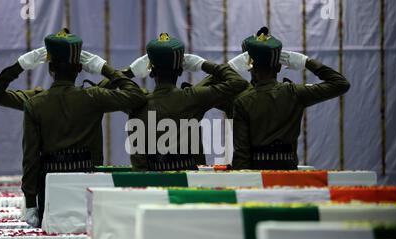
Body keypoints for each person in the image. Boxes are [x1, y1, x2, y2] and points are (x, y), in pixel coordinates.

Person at [8, 29, 145, 227]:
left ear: (50, 68)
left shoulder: (35, 104)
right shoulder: (93, 97)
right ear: (81, 68)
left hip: (50, 187)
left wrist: (30, 202)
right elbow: (136, 96)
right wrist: (104, 68)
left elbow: (30, 158)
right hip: (90, 182)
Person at [230, 27, 351, 170]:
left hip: (256, 175)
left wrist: (230, 67)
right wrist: (305, 61)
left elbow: (241, 154)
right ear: (279, 67)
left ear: (251, 69)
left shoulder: (242, 101)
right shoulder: (294, 93)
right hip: (288, 173)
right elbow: (340, 84)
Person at [126, 33, 248, 171]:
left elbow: (104, 89)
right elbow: (238, 83)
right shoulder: (192, 98)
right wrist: (203, 64)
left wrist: (129, 72)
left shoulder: (138, 103)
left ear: (151, 72)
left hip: (154, 184)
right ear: (180, 71)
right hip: (190, 183)